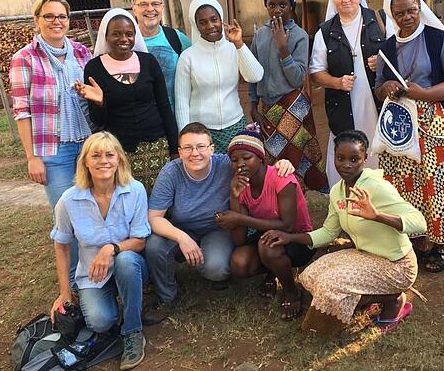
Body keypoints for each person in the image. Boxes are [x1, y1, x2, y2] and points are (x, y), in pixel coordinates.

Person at [261, 130, 426, 334]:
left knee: (331, 285)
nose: (346, 165)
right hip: (366, 257)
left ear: (365, 159)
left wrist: (377, 216)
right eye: (341, 158)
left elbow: (420, 223)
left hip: (397, 265)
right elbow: (329, 232)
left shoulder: (377, 187)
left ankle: (393, 300)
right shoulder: (337, 190)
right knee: (311, 275)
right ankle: (374, 295)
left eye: (354, 159)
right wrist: (289, 237)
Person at [143, 122, 294, 325]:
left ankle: (211, 271)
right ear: (179, 152)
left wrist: (282, 163)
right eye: (187, 148)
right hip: (182, 229)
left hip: (218, 229)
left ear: (212, 149)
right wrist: (183, 238)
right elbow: (154, 217)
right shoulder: (171, 172)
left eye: (201, 147)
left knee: (217, 268)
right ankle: (166, 295)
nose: (195, 153)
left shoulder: (227, 164)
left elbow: (258, 164)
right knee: (154, 245)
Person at [374, 0, 444, 273]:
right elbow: (379, 88)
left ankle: (440, 245)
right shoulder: (387, 47)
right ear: (392, 15)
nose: (406, 18)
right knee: (404, 182)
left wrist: (423, 94)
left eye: (412, 11)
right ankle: (415, 240)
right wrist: (387, 87)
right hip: (401, 126)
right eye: (400, 13)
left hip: (436, 123)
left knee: (439, 184)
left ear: (421, 10)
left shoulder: (438, 39)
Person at [49, 132, 150, 370]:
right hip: (93, 275)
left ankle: (133, 330)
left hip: (130, 265)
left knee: (125, 261)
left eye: (109, 155)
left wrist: (110, 249)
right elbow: (61, 245)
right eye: (95, 155)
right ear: (85, 161)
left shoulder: (135, 190)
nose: (103, 161)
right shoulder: (69, 200)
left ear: (119, 160)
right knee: (100, 322)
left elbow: (140, 241)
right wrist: (64, 292)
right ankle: (112, 304)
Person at [10, 0, 91, 288]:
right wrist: (32, 157)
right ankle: (70, 284)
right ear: (37, 20)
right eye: (49, 16)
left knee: (92, 208)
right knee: (65, 216)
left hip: (88, 146)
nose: (56, 21)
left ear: (69, 20)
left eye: (62, 16)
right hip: (53, 151)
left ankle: (95, 275)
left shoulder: (83, 53)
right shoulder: (24, 59)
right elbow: (22, 112)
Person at [214, 124, 315, 320]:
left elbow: (287, 224)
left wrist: (239, 218)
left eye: (247, 158)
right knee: (239, 263)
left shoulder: (280, 177)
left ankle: (291, 290)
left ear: (261, 159)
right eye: (234, 160)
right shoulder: (241, 185)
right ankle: (273, 271)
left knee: (266, 245)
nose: (240, 164)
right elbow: (239, 239)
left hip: (299, 240)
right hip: (267, 237)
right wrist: (234, 197)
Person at [76, 9, 179, 194]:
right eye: (116, 34)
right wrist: (100, 103)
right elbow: (97, 121)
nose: (124, 38)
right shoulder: (95, 68)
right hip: (118, 151)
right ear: (105, 36)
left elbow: (164, 106)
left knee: (160, 202)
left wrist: (174, 148)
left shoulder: (148, 62)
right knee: (126, 202)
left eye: (129, 34)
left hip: (156, 146)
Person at [248, 0, 328, 192]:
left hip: (293, 104)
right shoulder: (260, 35)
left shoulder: (300, 35)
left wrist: (283, 48)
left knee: (294, 154)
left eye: (283, 5)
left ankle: (297, 198)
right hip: (268, 105)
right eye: (272, 5)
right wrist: (253, 105)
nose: (277, 10)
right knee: (272, 154)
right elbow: (253, 73)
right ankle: (277, 198)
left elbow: (296, 78)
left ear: (290, 7)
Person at [309, 0, 384, 188]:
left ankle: (378, 202)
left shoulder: (378, 21)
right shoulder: (325, 31)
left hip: (376, 104)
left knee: (377, 150)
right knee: (346, 149)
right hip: (342, 106)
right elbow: (316, 71)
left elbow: (396, 58)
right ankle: (347, 205)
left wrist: (381, 63)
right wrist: (336, 82)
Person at [174, 0, 264, 153]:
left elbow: (255, 76)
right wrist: (186, 139)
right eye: (202, 22)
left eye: (214, 19)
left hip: (235, 125)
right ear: (196, 25)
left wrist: (239, 43)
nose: (210, 26)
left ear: (221, 19)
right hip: (201, 133)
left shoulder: (233, 49)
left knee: (239, 174)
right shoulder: (187, 57)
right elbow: (181, 102)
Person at [130, 0, 191, 113]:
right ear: (134, 9)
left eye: (155, 4)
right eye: (143, 4)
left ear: (162, 8)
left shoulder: (176, 38)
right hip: (142, 120)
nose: (150, 9)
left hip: (176, 117)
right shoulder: (125, 43)